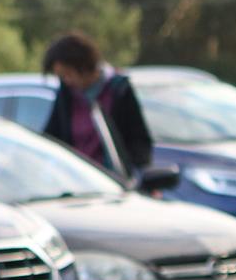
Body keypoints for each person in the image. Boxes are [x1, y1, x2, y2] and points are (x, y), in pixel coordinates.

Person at [41, 32, 154, 176]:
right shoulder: (66, 94)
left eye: (68, 73)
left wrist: (139, 174)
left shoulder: (119, 89)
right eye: (61, 76)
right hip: (78, 182)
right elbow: (51, 138)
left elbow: (139, 141)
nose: (66, 80)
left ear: (83, 65)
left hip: (115, 182)